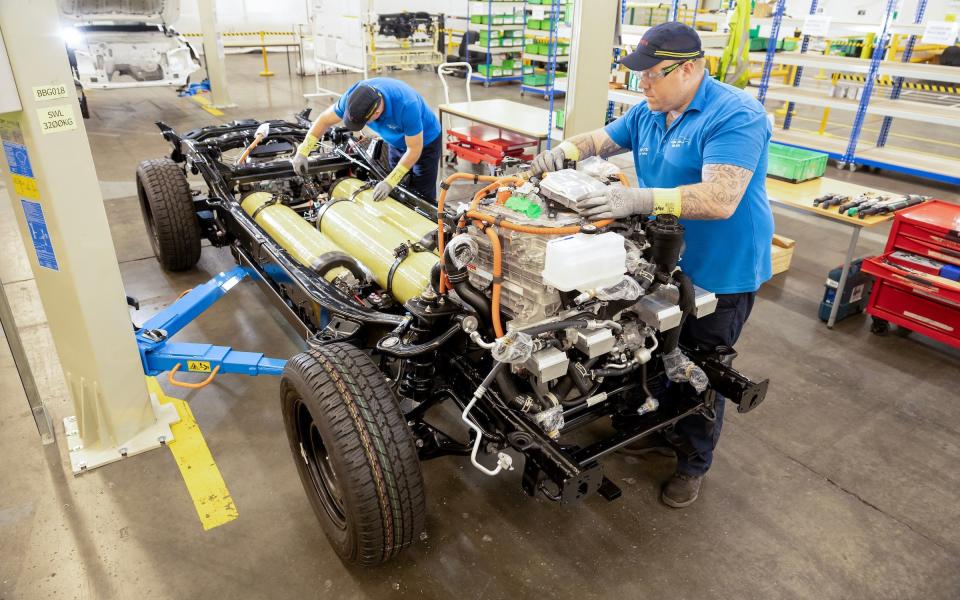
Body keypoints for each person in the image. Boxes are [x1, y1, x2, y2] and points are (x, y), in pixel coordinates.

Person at [530, 22, 774, 508]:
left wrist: (632, 199)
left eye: (652, 76)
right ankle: (655, 427)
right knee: (653, 351)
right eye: (638, 76)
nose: (642, 85)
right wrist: (562, 152)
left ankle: (692, 462)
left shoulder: (736, 114)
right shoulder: (650, 110)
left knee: (700, 368)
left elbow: (721, 198)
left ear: (689, 69)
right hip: (661, 260)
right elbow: (599, 140)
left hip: (720, 268)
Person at [292, 77, 443, 202]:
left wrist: (390, 182)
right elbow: (324, 120)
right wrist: (303, 151)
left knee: (422, 197)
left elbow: (414, 149)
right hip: (395, 142)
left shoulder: (406, 105)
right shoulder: (355, 96)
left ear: (377, 113)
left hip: (425, 143)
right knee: (398, 190)